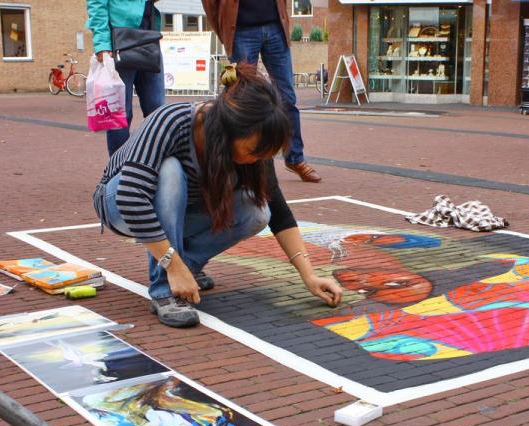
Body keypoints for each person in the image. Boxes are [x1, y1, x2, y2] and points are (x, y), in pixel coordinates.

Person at [92, 63, 343, 328]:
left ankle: (187, 267)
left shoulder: (256, 142)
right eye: (253, 151)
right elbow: (131, 196)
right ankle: (165, 289)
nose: (256, 159)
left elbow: (279, 213)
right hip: (118, 204)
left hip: (178, 209)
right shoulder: (172, 121)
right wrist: (172, 266)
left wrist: (309, 276)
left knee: (257, 211)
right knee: (170, 170)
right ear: (230, 131)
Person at [203, 0, 323, 183]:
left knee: (287, 97)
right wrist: (225, 32)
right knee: (241, 97)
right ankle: (242, 162)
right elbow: (210, 5)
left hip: (276, 27)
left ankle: (295, 158)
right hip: (240, 30)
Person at [86, 0, 166, 156]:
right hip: (120, 41)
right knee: (120, 114)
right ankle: (119, 165)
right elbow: (96, 4)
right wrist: (102, 44)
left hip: (149, 38)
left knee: (157, 109)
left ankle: (152, 161)